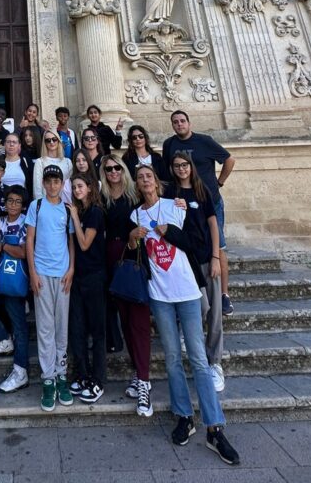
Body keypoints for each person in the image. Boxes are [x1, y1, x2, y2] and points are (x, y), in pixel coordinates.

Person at [130, 165, 240, 465]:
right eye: (140, 178)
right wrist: (131, 238)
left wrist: (172, 232)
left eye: (149, 176)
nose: (145, 181)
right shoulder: (135, 215)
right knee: (173, 358)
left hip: (188, 291)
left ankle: (215, 427)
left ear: (156, 181)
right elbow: (135, 254)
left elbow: (196, 243)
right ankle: (184, 417)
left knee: (200, 360)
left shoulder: (175, 206)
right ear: (137, 185)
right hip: (159, 295)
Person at [162, 110, 236, 315]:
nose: (179, 124)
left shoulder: (205, 141)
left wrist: (219, 183)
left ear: (189, 122)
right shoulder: (169, 144)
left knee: (218, 245)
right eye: (175, 122)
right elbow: (169, 171)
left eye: (182, 121)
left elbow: (229, 160)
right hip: (182, 203)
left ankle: (224, 295)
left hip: (209, 201)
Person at [166, 150, 224, 391]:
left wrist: (215, 257)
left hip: (205, 257)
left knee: (215, 312)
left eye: (185, 165)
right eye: (177, 165)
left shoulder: (202, 191)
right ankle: (195, 349)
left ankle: (215, 363)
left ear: (191, 166)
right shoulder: (171, 193)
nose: (181, 169)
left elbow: (213, 224)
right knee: (199, 308)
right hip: (185, 261)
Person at [99, 153, 152, 415]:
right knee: (125, 321)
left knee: (139, 322)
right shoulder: (103, 199)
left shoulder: (135, 196)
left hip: (134, 260)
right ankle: (138, 371)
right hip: (112, 262)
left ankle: (144, 381)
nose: (113, 172)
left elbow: (157, 202)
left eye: (117, 167)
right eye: (108, 169)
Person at [25, 165, 75, 412]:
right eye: (50, 181)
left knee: (61, 326)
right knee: (45, 327)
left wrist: (72, 269)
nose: (53, 185)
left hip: (63, 273)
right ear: (44, 183)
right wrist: (33, 273)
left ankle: (61, 375)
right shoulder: (36, 206)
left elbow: (71, 241)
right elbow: (30, 240)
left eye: (57, 181)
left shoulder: (67, 209)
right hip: (42, 273)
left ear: (62, 184)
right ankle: (48, 378)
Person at [0, 185, 30, 392]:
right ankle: (3, 338)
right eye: (10, 200)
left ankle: (21, 370)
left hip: (14, 279)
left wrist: (3, 247)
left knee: (19, 325)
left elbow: (23, 252)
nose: (13, 205)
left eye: (17, 201)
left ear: (23, 205)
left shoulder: (26, 223)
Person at [67, 174, 106, 403]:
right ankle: (82, 375)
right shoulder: (79, 212)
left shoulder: (94, 213)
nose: (77, 190)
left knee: (97, 331)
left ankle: (98, 380)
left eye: (80, 186)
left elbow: (83, 243)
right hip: (78, 277)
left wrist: (73, 216)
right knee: (77, 329)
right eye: (73, 187)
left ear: (90, 188)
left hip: (94, 277)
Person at [32, 130, 73, 200]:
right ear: (44, 143)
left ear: (58, 141)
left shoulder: (67, 162)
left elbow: (70, 186)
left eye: (54, 139)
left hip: (64, 202)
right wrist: (40, 205)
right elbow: (37, 188)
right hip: (45, 203)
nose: (51, 142)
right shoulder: (40, 162)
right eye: (48, 140)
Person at [2, 132, 34, 198]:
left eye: (14, 142)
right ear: (4, 144)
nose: (11, 144)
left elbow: (31, 184)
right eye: (8, 142)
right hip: (2, 201)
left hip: (21, 202)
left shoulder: (26, 162)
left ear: (19, 145)